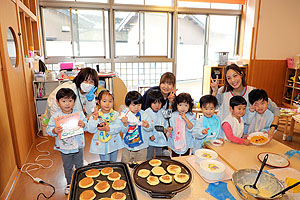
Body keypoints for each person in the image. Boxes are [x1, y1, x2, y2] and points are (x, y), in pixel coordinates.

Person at [211, 64, 279, 139]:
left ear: (241, 74)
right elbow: (211, 107)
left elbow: (275, 109)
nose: (233, 80)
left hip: (244, 136)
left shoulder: (252, 91)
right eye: (229, 78)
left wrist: (272, 128)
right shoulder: (223, 92)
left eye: (235, 76)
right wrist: (214, 92)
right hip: (224, 135)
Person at [46, 88, 87, 195]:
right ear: (58, 102)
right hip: (64, 148)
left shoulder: (79, 114)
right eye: (64, 101)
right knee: (67, 166)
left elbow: (87, 125)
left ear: (74, 101)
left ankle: (81, 180)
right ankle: (69, 183)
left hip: (78, 146)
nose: (67, 104)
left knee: (80, 165)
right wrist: (54, 130)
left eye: (70, 100)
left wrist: (83, 124)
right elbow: (48, 130)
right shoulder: (56, 117)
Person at [87, 90, 124, 162]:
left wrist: (108, 128)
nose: (107, 104)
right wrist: (94, 119)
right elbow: (91, 130)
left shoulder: (116, 114)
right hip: (102, 144)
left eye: (110, 101)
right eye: (104, 101)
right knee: (105, 163)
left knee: (114, 162)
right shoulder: (96, 115)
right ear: (98, 102)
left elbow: (119, 127)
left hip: (114, 143)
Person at [120, 91, 153, 163]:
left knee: (140, 165)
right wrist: (125, 124)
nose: (137, 108)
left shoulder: (145, 114)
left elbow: (151, 128)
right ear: (127, 105)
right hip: (127, 147)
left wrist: (147, 126)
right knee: (126, 165)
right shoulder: (124, 115)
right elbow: (122, 130)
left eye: (139, 105)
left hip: (142, 148)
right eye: (134, 105)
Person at [167, 93, 196, 157]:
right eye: (180, 105)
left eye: (186, 105)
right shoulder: (173, 115)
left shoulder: (191, 115)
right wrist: (169, 129)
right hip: (174, 142)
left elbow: (191, 128)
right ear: (176, 105)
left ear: (189, 106)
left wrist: (185, 118)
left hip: (187, 142)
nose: (183, 108)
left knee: (185, 159)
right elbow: (169, 125)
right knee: (175, 159)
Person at [145, 90, 169, 160]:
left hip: (160, 138)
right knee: (149, 155)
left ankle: (158, 168)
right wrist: (150, 135)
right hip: (150, 139)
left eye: (159, 102)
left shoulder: (162, 111)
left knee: (159, 155)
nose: (157, 105)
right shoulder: (147, 112)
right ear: (150, 102)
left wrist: (166, 128)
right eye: (154, 103)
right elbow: (146, 126)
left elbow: (166, 122)